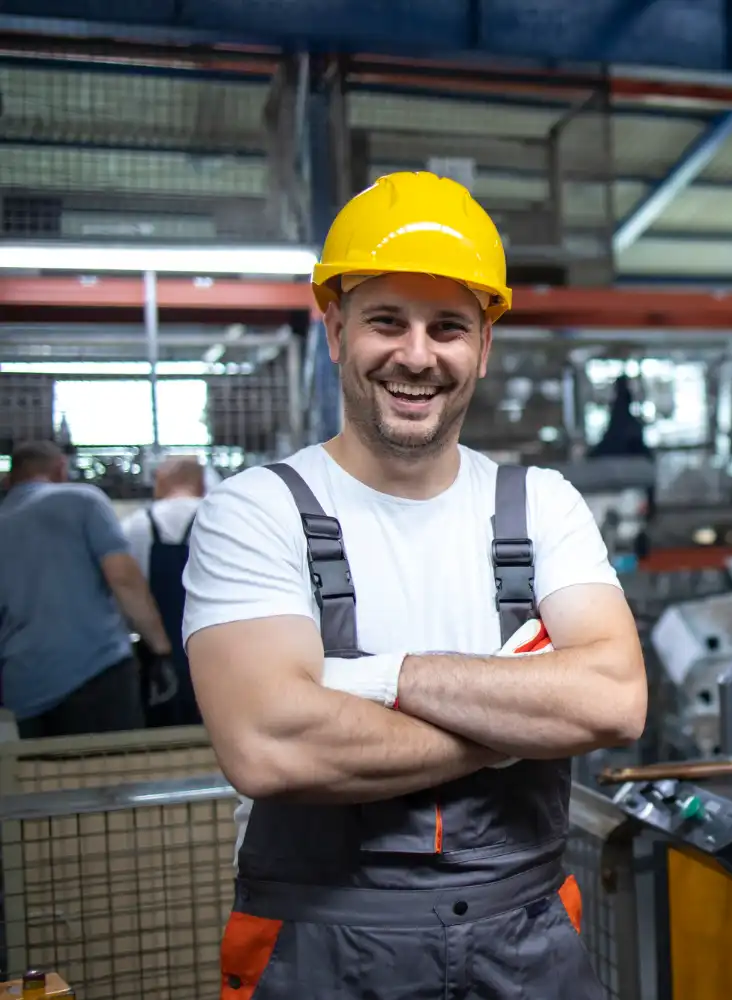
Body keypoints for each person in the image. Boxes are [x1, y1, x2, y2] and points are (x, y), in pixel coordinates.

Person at [183, 171, 646, 1000]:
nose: (417, 356)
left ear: (484, 346)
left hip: (530, 942)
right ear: (334, 330)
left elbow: (612, 701)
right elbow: (270, 744)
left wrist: (378, 679)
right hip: (323, 947)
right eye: (386, 321)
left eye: (449, 328)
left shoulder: (540, 506)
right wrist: (516, 727)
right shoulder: (257, 512)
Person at [0, 440, 173, 738]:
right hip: (96, 674)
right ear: (60, 469)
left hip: (22, 687)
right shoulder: (82, 500)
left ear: (10, 478)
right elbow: (123, 579)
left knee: (43, 780)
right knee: (113, 775)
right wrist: (161, 649)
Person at [121, 455, 208, 728]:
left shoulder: (133, 526)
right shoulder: (224, 519)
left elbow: (125, 593)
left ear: (160, 481)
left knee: (161, 740)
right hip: (216, 652)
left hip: (156, 657)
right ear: (201, 482)